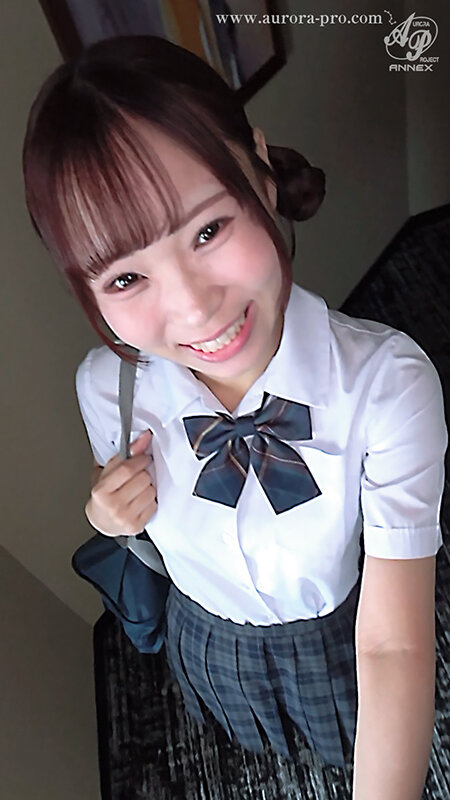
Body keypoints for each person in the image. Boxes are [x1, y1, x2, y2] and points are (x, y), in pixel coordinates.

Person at [23, 35, 446, 797]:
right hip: (205, 631)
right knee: (245, 729)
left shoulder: (388, 388)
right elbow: (118, 483)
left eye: (207, 231)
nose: (193, 308)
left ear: (259, 167)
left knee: (349, 734)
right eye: (125, 278)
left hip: (336, 634)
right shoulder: (107, 386)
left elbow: (391, 647)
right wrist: (105, 514)